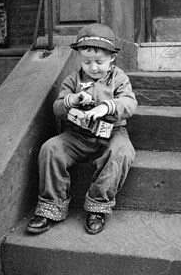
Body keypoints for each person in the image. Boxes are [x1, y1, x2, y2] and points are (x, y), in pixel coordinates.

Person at [26, 23, 137, 235]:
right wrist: (71, 100)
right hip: (77, 135)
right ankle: (51, 207)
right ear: (79, 58)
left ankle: (98, 206)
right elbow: (58, 108)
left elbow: (130, 103)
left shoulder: (119, 78)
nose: (93, 68)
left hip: (111, 132)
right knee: (51, 148)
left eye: (99, 62)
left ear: (112, 58)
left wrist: (107, 106)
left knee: (122, 152)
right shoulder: (72, 80)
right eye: (86, 62)